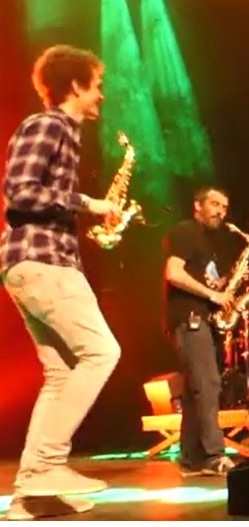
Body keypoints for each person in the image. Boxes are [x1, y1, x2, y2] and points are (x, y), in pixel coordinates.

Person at [0, 44, 124, 520]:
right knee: (102, 352)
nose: (101, 96)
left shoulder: (63, 133)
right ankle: (49, 464)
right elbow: (20, 192)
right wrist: (87, 203)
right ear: (75, 85)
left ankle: (28, 495)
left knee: (62, 373)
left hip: (36, 262)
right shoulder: (48, 125)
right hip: (42, 262)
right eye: (97, 86)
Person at [162, 186, 241, 477]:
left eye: (225, 207)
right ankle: (213, 455)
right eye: (215, 204)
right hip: (189, 318)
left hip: (202, 318)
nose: (221, 211)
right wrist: (213, 295)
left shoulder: (210, 242)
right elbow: (174, 273)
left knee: (197, 389)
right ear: (198, 205)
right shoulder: (185, 231)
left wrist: (225, 284)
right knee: (208, 385)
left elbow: (205, 280)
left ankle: (191, 458)